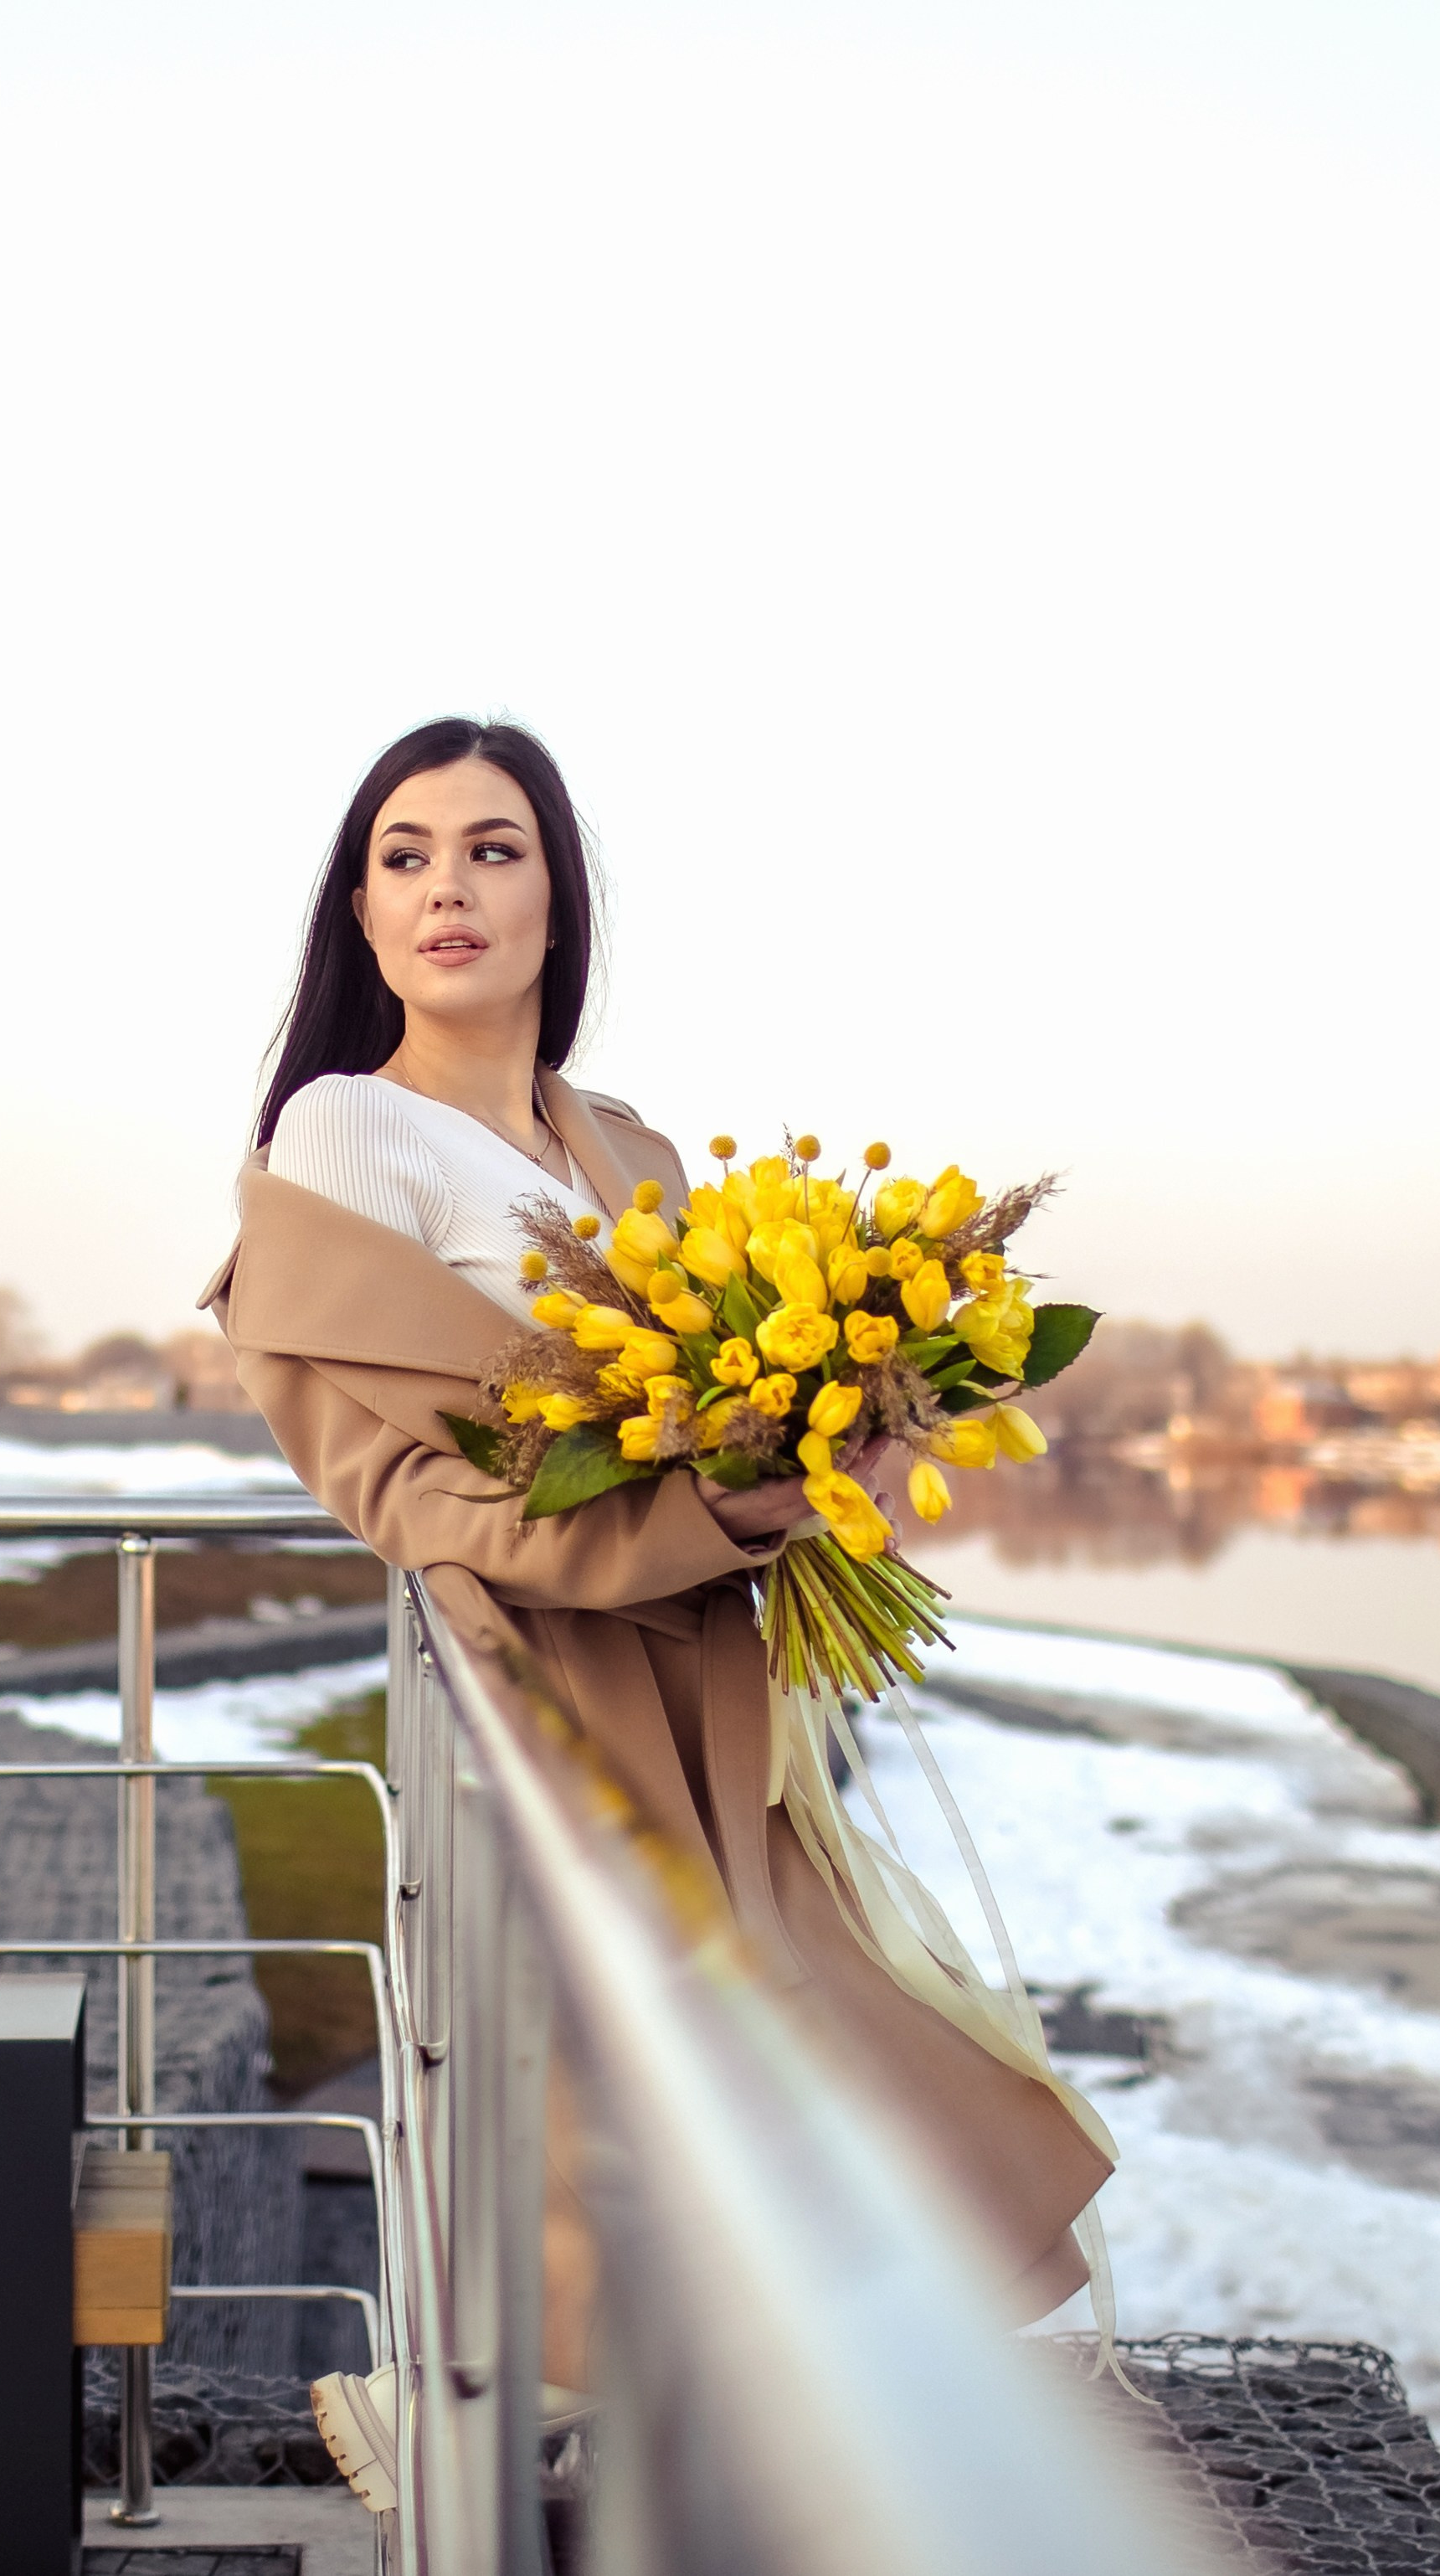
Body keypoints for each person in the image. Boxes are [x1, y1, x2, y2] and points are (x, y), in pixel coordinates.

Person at [201, 717, 1113, 2507]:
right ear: (360, 911)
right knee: (629, 2055)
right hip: (539, 1665)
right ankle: (501, 2404)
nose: (448, 888)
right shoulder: (346, 1127)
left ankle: (669, 2411)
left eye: (494, 849)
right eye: (404, 855)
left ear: (559, 901)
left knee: (797, 2024)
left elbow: (727, 1403)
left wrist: (827, 1459)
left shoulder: (630, 1148)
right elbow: (382, 1480)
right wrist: (677, 1518)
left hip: (711, 1661)